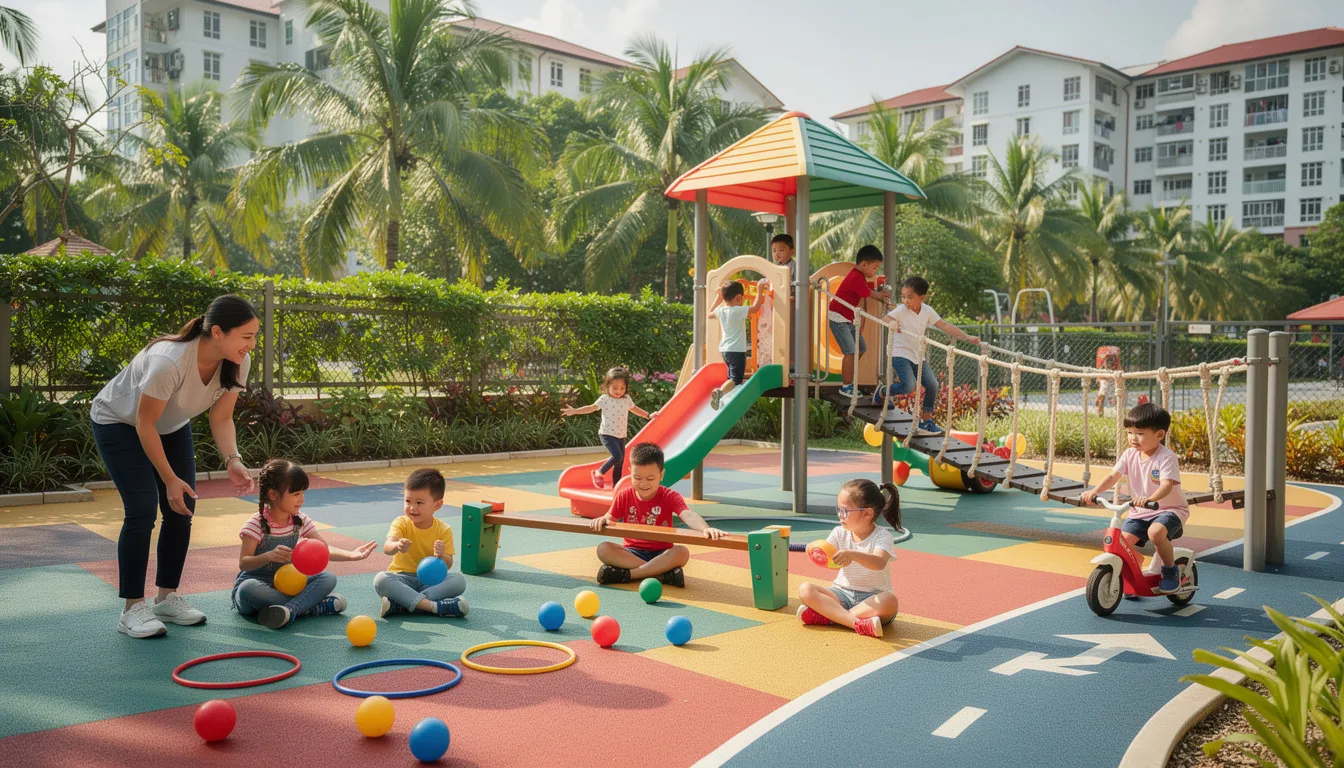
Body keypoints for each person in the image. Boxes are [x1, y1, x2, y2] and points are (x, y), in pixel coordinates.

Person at [90, 295, 261, 638]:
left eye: (255, 336)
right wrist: (169, 478)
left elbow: (221, 416)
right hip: (119, 423)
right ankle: (132, 609)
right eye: (246, 336)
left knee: (183, 508)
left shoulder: (237, 361)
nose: (252, 344)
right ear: (218, 332)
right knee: (142, 510)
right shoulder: (168, 361)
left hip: (168, 425)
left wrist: (233, 460)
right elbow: (144, 424)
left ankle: (166, 598)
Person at [232, 460, 377, 629]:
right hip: (258, 586)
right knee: (248, 588)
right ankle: (310, 606)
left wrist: (352, 555)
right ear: (273, 495)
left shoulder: (300, 520)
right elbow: (244, 563)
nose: (301, 499)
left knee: (328, 578)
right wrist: (268, 556)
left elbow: (322, 549)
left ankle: (288, 610)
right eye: (296, 494)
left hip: (290, 585)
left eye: (303, 493)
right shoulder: (255, 524)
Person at [1080, 403, 1190, 593]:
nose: (1132, 438)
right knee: (1120, 543)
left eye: (1139, 433)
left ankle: (1170, 570)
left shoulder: (1166, 457)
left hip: (1169, 509)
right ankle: (1133, 569)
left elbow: (1166, 485)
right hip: (1140, 512)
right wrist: (1094, 491)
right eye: (1129, 432)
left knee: (1155, 533)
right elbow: (1113, 476)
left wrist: (1149, 498)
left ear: (1159, 435)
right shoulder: (1130, 454)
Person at [589, 443, 725, 587]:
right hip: (632, 553)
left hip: (662, 553)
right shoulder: (624, 495)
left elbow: (688, 515)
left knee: (682, 552)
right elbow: (610, 517)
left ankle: (629, 575)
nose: (643, 484)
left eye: (650, 479)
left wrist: (705, 528)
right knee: (603, 549)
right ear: (630, 473)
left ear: (661, 475)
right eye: (637, 478)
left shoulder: (669, 496)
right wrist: (603, 519)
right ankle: (661, 574)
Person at [797, 479, 902, 638]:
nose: (840, 515)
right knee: (805, 589)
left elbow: (879, 562)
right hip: (841, 594)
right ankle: (856, 623)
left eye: (845, 511)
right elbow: (829, 558)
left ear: (867, 513)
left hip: (872, 599)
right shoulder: (839, 532)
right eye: (838, 509)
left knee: (890, 601)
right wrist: (815, 551)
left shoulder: (883, 536)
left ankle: (832, 617)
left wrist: (853, 555)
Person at [878, 275, 981, 436]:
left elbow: (944, 325)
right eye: (903, 296)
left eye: (910, 297)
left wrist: (967, 337)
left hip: (917, 355)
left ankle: (926, 422)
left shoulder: (927, 311)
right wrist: (892, 322)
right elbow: (886, 317)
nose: (905, 301)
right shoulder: (902, 310)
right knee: (908, 386)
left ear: (922, 298)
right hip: (900, 353)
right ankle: (883, 392)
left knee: (932, 384)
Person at [375, 468, 469, 618]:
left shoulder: (443, 529)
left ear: (437, 505)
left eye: (419, 502)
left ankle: (402, 603)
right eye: (408, 501)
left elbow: (448, 563)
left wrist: (441, 555)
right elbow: (387, 547)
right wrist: (397, 545)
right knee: (381, 579)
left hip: (430, 582)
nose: (412, 508)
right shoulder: (401, 523)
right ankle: (433, 606)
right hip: (402, 579)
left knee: (459, 581)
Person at [561, 367, 658, 488]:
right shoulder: (605, 399)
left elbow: (635, 409)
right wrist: (575, 411)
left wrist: (648, 415)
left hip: (620, 435)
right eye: (615, 388)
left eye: (622, 388)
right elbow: (591, 408)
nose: (619, 391)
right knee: (617, 456)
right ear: (608, 386)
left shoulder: (626, 399)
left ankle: (616, 486)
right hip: (607, 434)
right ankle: (598, 472)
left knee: (620, 462)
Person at [827, 245, 892, 396]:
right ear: (864, 264)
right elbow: (868, 293)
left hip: (848, 318)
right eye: (875, 268)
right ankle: (846, 386)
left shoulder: (859, 276)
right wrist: (882, 295)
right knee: (850, 351)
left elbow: (867, 288)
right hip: (838, 318)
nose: (875, 272)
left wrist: (878, 290)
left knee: (861, 348)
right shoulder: (855, 277)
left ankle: (848, 376)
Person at [709, 280, 765, 409]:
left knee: (731, 378)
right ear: (738, 298)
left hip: (725, 351)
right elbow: (755, 308)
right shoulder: (738, 310)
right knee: (736, 380)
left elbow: (710, 313)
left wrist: (718, 298)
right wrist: (759, 290)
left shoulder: (721, 311)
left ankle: (725, 400)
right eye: (742, 298)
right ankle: (720, 392)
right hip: (737, 351)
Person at [1095, 350, 1122, 416]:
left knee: (1116, 394)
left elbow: (1119, 372)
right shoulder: (1103, 366)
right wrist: (1100, 380)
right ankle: (1100, 411)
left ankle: (1117, 410)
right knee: (1102, 395)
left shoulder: (1116, 365)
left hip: (1112, 381)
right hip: (1104, 380)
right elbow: (1099, 377)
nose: (1109, 364)